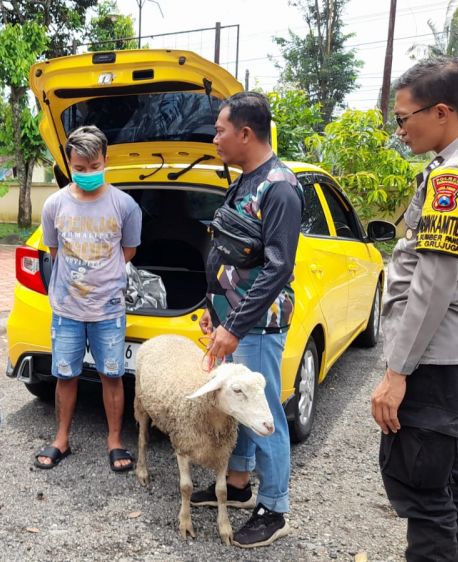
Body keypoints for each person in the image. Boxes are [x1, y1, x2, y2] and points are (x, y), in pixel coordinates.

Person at [371, 57, 458, 562]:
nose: (400, 130)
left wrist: (397, 372)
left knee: (422, 490)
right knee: (444, 478)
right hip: (453, 354)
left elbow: (433, 284)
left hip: (432, 357)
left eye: (403, 118)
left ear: (442, 111)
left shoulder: (457, 176)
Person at [191, 91, 302, 549]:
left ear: (245, 133)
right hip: (231, 320)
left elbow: (277, 267)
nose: (214, 138)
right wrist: (211, 306)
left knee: (262, 412)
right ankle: (238, 485)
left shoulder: (279, 187)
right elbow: (230, 251)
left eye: (220, 130)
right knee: (235, 404)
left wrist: (234, 326)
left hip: (256, 324)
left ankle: (274, 508)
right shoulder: (244, 181)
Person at [34, 125, 143, 473]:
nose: (87, 173)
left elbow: (128, 251)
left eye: (94, 166)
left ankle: (115, 440)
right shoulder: (54, 205)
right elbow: (54, 251)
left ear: (105, 160)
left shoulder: (125, 205)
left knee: (112, 374)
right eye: (79, 168)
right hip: (67, 308)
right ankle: (61, 439)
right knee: (65, 375)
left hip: (108, 308)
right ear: (69, 163)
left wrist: (100, 276)